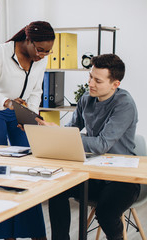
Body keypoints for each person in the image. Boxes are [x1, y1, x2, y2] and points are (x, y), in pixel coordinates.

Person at [36, 54, 140, 240]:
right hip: (93, 173)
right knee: (57, 190)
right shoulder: (86, 99)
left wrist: (66, 136)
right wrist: (54, 132)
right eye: (90, 77)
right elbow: (71, 130)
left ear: (115, 84)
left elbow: (101, 144)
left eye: (97, 80)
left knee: (106, 213)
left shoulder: (124, 104)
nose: (90, 83)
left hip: (122, 179)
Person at [0, 21, 55, 240]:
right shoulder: (2, 52)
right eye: (40, 49)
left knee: (27, 168)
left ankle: (34, 233)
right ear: (28, 41)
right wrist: (8, 103)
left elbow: (36, 92)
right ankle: (3, 234)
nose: (43, 55)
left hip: (21, 112)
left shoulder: (41, 59)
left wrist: (30, 117)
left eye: (48, 51)